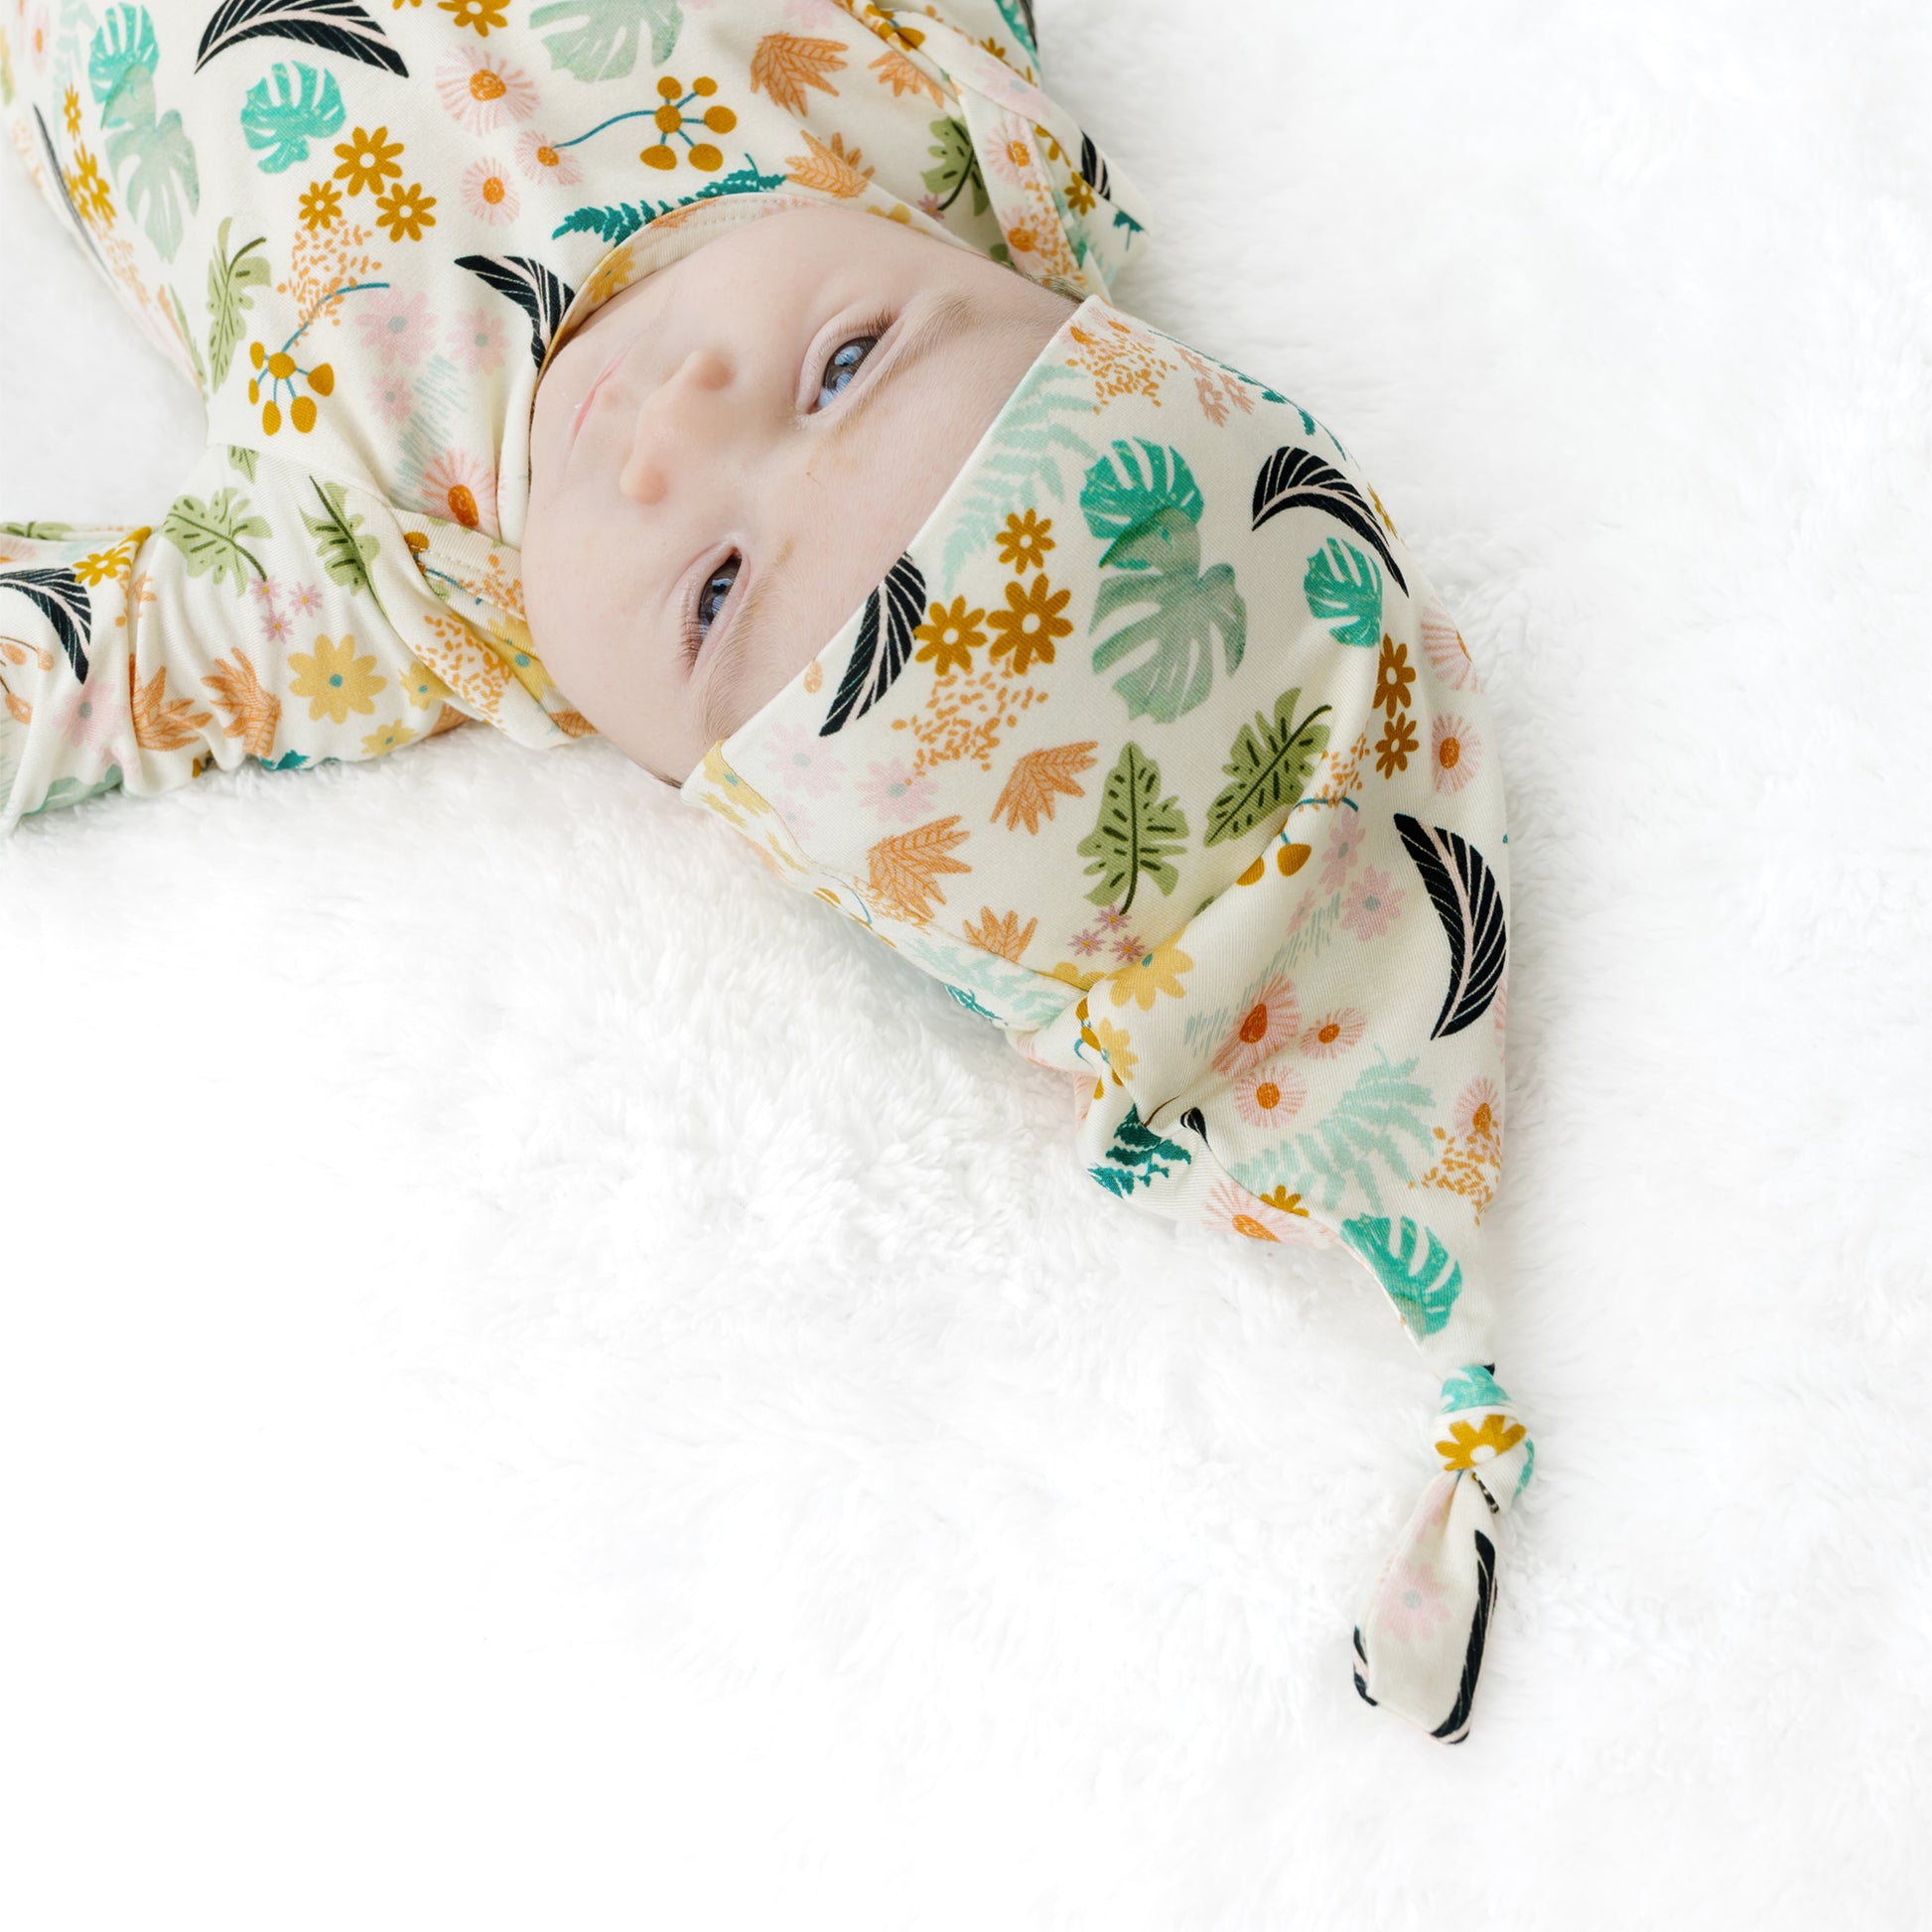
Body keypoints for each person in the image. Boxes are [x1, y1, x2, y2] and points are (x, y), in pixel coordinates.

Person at [1, 0, 1536, 1742]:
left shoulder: (382, 576)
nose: (676, 425)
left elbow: (63, 676)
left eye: (715, 590)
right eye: (845, 364)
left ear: (705, 791)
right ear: (1051, 294)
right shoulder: (943, 125)